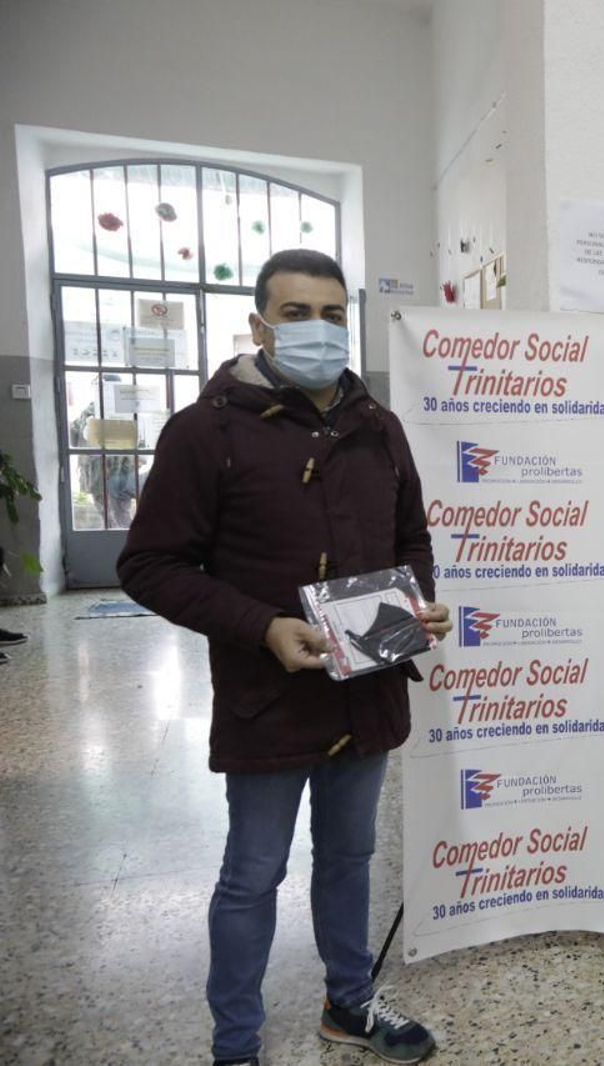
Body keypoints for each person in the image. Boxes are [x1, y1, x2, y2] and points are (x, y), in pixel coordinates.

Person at [118, 249, 449, 1066]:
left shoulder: (378, 427)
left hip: (365, 690)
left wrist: (414, 606)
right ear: (260, 326)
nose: (318, 329)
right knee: (253, 874)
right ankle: (236, 1044)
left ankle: (350, 1003)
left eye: (333, 314)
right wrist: (262, 627)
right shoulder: (207, 430)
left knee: (350, 858)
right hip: (268, 696)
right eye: (297, 314)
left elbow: (411, 537)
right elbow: (149, 564)